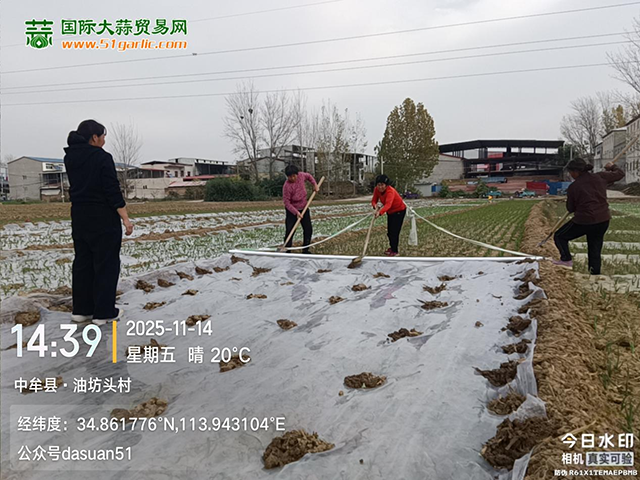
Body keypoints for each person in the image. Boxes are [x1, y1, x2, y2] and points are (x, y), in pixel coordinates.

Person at [64, 120, 134, 326]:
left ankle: (81, 310)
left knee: (83, 262)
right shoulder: (102, 157)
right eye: (103, 136)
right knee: (106, 264)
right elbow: (111, 190)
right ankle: (104, 312)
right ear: (94, 137)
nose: (104, 140)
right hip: (103, 217)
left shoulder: (70, 157)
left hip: (79, 215)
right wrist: (125, 217)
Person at [553, 158, 624, 275]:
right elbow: (620, 174)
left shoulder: (574, 187)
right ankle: (595, 274)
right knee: (595, 248)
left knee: (559, 236)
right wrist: (612, 167)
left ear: (576, 172)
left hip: (584, 221)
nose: (570, 175)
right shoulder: (600, 176)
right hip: (603, 220)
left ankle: (566, 260)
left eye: (570, 172)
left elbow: (570, 208)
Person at [282, 164, 319, 254]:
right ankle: (287, 250)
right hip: (292, 211)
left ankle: (305, 250)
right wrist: (296, 213)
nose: (292, 178)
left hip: (304, 207)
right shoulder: (287, 186)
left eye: (294, 176)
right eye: (290, 177)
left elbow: (309, 176)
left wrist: (314, 184)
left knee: (308, 229)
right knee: (290, 231)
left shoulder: (301, 176)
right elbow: (287, 203)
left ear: (297, 174)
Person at [371, 174, 407, 256]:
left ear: (386, 185)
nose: (380, 187)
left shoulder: (390, 191)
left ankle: (395, 251)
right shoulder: (376, 190)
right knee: (390, 232)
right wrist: (375, 206)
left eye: (382, 185)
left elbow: (388, 205)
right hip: (390, 212)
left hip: (399, 211)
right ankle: (392, 247)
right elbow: (374, 200)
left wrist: (380, 212)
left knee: (394, 232)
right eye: (378, 185)